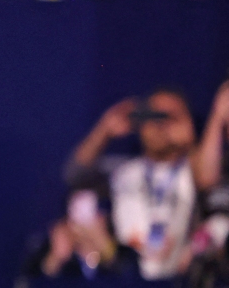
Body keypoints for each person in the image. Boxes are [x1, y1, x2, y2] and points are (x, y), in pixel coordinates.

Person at [68, 90, 198, 281]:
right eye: (153, 115)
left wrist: (192, 141)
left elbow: (211, 177)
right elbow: (75, 175)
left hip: (180, 280)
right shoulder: (123, 171)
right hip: (125, 277)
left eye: (170, 117)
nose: (160, 125)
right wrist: (104, 130)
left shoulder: (197, 171)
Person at [22, 188, 141, 280]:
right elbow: (38, 272)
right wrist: (57, 257)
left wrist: (100, 241)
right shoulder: (55, 248)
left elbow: (127, 271)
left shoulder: (121, 241)